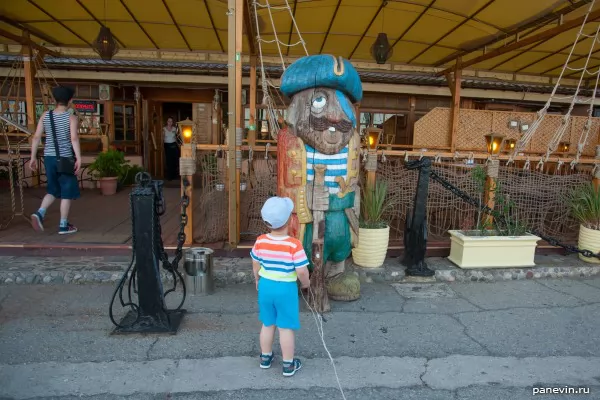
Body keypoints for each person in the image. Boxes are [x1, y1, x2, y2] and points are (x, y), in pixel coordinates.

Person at [251, 196, 311, 377]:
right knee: (285, 327)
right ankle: (288, 365)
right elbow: (301, 271)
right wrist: (306, 283)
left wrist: (256, 279)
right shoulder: (294, 244)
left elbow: (256, 263)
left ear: (266, 222)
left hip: (266, 286)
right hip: (285, 289)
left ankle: (265, 358)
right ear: (291, 220)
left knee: (267, 323)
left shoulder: (261, 240)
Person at [29, 85, 81, 235]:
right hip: (65, 159)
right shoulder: (71, 118)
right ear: (70, 101)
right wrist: (78, 157)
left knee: (52, 189)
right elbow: (73, 138)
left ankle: (40, 213)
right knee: (67, 192)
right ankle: (64, 225)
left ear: (54, 100)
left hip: (49, 158)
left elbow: (37, 137)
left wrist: (33, 157)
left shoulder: (45, 116)